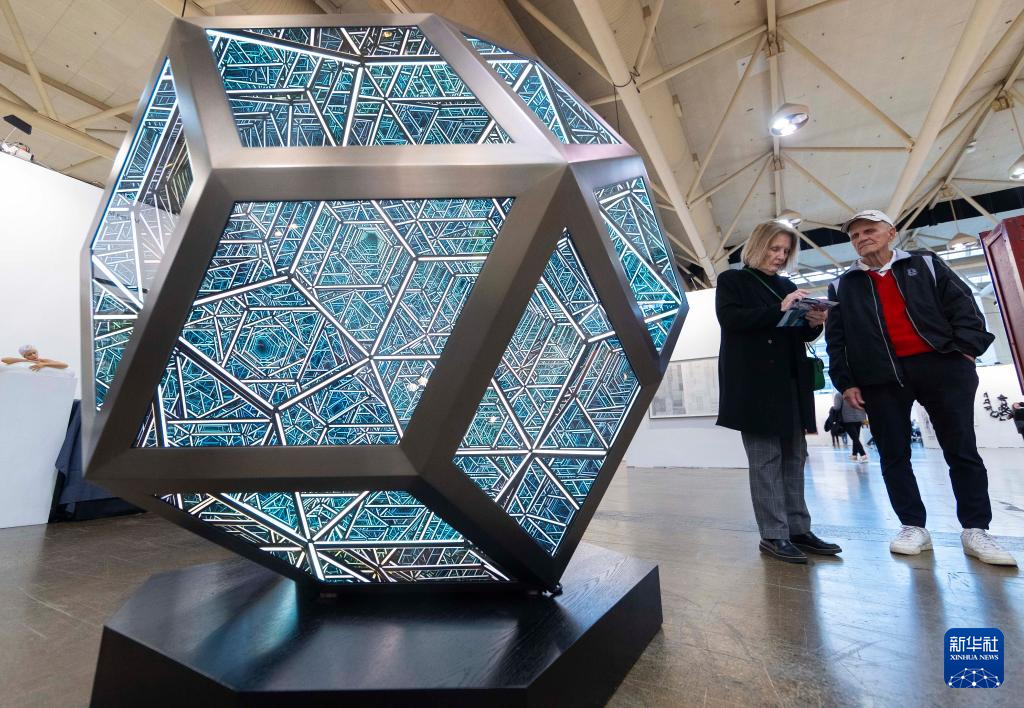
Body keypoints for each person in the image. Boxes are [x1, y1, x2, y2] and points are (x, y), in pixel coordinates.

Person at [825, 209, 1016, 566]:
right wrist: (846, 382)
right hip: (879, 377)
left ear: (891, 232)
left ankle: (976, 528)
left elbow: (963, 305)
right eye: (854, 236)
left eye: (869, 230)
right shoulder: (842, 285)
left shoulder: (926, 263)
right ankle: (913, 526)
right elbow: (837, 341)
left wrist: (965, 352)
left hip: (941, 365)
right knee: (893, 455)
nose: (861, 238)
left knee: (961, 449)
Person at [716, 220, 842, 564]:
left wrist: (813, 324)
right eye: (775, 249)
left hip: (790, 383)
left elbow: (796, 333)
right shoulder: (732, 280)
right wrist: (780, 309)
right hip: (754, 385)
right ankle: (773, 534)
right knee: (765, 460)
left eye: (785, 251)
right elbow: (731, 320)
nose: (780, 256)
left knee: (795, 456)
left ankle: (798, 529)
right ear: (758, 245)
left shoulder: (786, 284)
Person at [833, 390, 868, 461]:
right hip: (859, 418)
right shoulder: (858, 392)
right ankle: (854, 455)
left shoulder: (839, 394)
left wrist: (832, 408)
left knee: (855, 438)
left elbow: (837, 407)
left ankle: (863, 454)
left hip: (848, 419)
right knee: (856, 437)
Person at [1, 344, 68, 372]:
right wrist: (27, 361)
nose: (33, 355)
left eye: (34, 353)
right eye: (29, 354)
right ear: (25, 356)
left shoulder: (43, 361)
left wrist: (44, 364)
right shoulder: (23, 361)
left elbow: (64, 365)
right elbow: (4, 360)